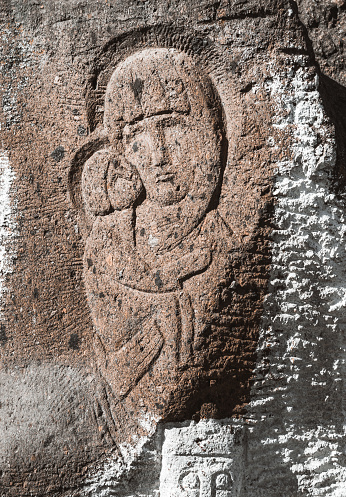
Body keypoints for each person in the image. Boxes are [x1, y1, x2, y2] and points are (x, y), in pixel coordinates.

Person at [72, 48, 234, 438]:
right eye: (136, 135)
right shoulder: (110, 239)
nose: (158, 152)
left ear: (207, 133)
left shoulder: (220, 237)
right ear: (120, 150)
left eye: (172, 125)